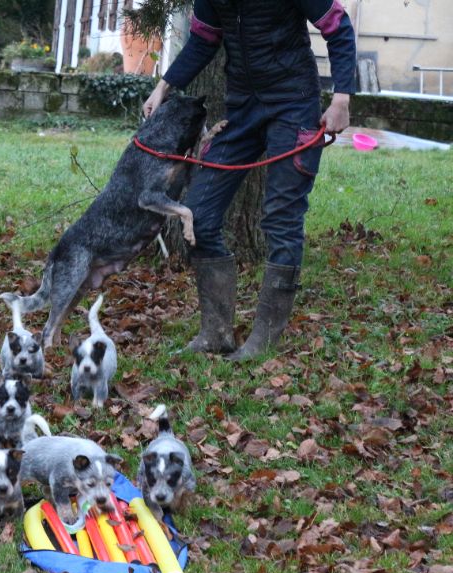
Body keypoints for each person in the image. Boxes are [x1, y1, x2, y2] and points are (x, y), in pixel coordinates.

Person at [142, 0, 357, 360]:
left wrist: (341, 98)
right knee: (198, 213)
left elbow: (338, 27)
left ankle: (263, 343)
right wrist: (164, 86)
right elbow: (203, 40)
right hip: (242, 107)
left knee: (281, 219)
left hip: (294, 104)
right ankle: (216, 334)